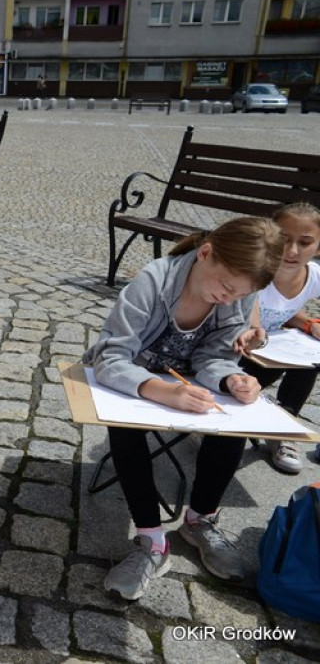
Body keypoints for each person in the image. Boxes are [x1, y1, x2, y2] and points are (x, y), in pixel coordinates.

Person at [83, 216, 283, 601]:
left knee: (234, 424)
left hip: (186, 383)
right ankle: (152, 541)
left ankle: (200, 519)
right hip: (132, 379)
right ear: (205, 253)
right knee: (125, 427)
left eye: (239, 295)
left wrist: (231, 380)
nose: (228, 299)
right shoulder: (154, 281)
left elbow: (215, 356)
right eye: (225, 287)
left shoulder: (237, 295)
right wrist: (158, 390)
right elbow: (110, 357)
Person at [233, 202, 320, 474]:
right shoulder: (255, 270)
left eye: (304, 242)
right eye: (284, 239)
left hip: (267, 357)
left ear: (318, 247)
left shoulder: (314, 276)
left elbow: (285, 310)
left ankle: (282, 427)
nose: (292, 251)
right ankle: (232, 424)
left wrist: (310, 323)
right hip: (234, 357)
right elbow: (252, 313)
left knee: (311, 357)